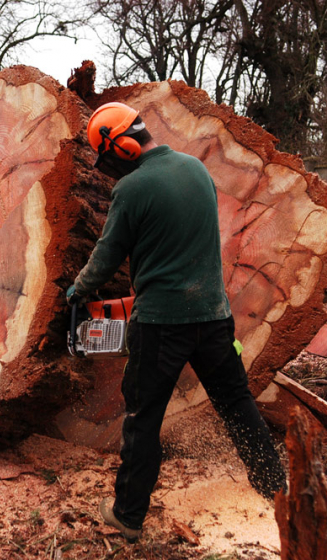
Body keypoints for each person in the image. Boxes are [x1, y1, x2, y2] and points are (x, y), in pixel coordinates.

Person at [66, 102, 287, 543]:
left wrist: (76, 292)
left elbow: (107, 255)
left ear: (122, 146)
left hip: (162, 324)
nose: (108, 169)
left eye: (107, 158)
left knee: (143, 417)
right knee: (237, 404)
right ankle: (278, 492)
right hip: (215, 316)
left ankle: (127, 514)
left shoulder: (132, 189)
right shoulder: (196, 170)